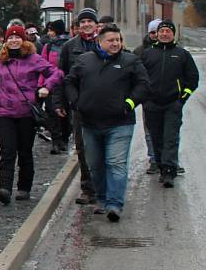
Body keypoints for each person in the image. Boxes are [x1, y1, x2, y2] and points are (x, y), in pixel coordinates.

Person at [64, 23, 149, 221]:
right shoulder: (85, 61)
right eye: (111, 40)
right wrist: (76, 102)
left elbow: (144, 85)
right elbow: (69, 81)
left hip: (120, 123)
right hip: (90, 123)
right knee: (95, 164)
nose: (115, 43)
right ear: (99, 42)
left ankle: (114, 204)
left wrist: (129, 103)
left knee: (116, 163)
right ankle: (101, 198)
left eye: (118, 40)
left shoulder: (130, 61)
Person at [0, 25, 63, 204]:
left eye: (17, 37)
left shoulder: (33, 58)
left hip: (26, 113)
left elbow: (56, 73)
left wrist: (45, 87)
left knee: (25, 151)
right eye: (10, 37)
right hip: (4, 112)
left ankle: (24, 187)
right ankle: (4, 187)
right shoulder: (1, 61)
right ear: (6, 40)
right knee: (7, 151)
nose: (13, 40)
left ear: (23, 39)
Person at [139, 20, 199, 187]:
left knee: (170, 138)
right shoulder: (148, 54)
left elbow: (192, 79)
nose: (165, 34)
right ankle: (160, 164)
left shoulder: (182, 54)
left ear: (174, 34)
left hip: (173, 104)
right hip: (152, 104)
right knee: (156, 138)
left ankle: (169, 171)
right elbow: (138, 78)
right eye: (162, 31)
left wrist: (182, 98)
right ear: (156, 34)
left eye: (168, 31)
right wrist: (144, 97)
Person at [54, 7, 100, 205]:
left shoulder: (106, 43)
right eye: (83, 22)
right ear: (77, 25)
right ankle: (88, 188)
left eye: (90, 21)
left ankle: (104, 187)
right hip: (79, 105)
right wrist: (59, 102)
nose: (86, 25)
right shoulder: (69, 47)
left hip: (105, 105)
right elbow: (60, 77)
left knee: (104, 147)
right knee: (82, 148)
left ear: (96, 24)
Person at [134, 18, 162, 172]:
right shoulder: (140, 51)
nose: (155, 35)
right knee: (150, 129)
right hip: (148, 98)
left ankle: (169, 160)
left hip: (169, 98)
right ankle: (154, 159)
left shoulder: (172, 49)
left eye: (158, 32)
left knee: (169, 131)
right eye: (152, 32)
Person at [40, 19, 70, 154]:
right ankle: (56, 140)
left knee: (66, 113)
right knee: (52, 112)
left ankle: (64, 138)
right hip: (50, 84)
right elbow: (43, 65)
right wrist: (41, 85)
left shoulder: (70, 44)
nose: (49, 33)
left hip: (66, 84)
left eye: (51, 30)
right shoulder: (48, 46)